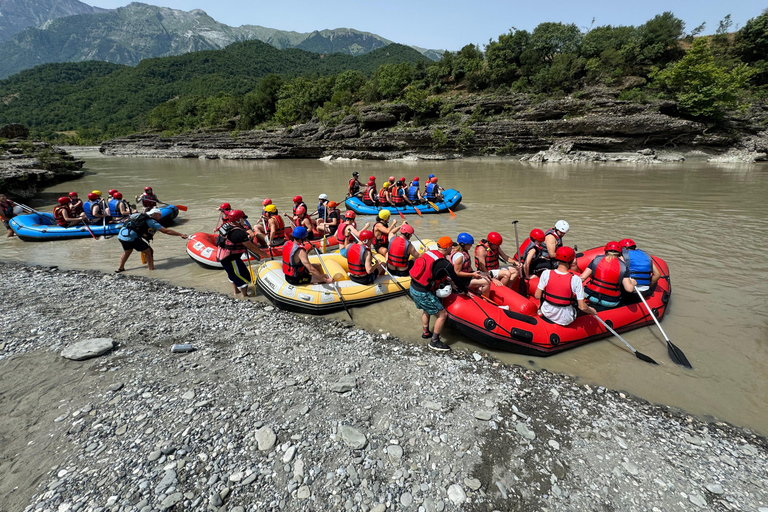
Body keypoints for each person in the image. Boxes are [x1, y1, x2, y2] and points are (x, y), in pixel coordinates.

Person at [409, 236, 469, 352]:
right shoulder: (445, 264)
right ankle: (434, 341)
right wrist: (465, 291)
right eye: (451, 246)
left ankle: (426, 332)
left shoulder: (430, 253)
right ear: (447, 248)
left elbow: (433, 272)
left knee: (426, 309)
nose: (453, 248)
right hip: (423, 293)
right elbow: (456, 280)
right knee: (442, 315)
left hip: (413, 287)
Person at [534, 247, 596, 326]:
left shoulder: (546, 273)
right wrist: (592, 311)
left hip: (546, 312)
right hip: (565, 319)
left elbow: (537, 295)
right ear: (571, 261)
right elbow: (582, 307)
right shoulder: (576, 279)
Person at [116, 208, 187, 273]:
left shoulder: (138, 215)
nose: (160, 217)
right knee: (148, 251)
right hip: (131, 238)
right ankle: (151, 271)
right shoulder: (151, 221)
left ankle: (120, 268)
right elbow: (166, 231)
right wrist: (181, 234)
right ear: (154, 215)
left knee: (127, 251)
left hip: (121, 236)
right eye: (159, 215)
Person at [214, 209, 266, 296]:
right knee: (243, 275)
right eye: (242, 219)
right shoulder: (238, 233)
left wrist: (249, 232)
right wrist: (263, 253)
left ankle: (236, 292)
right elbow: (251, 246)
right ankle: (244, 295)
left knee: (232, 274)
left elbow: (243, 230)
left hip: (222, 256)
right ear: (238, 220)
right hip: (231, 258)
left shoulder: (226, 225)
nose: (244, 220)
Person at [580, 241, 637, 308]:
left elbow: (582, 278)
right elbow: (629, 289)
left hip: (590, 295)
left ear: (605, 251)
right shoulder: (623, 266)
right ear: (620, 253)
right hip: (610, 301)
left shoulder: (596, 260)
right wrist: (633, 283)